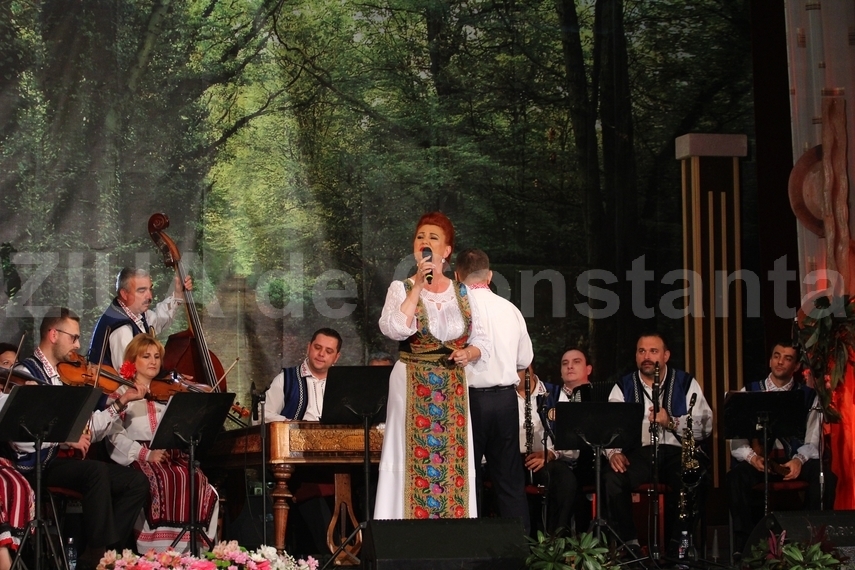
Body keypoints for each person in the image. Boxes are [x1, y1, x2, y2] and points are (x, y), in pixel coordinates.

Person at [375, 212, 491, 520]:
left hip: (452, 388)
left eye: (433, 237)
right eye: (420, 237)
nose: (425, 241)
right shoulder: (401, 288)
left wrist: (469, 353)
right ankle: (405, 533)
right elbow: (394, 329)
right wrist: (417, 287)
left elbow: (484, 342)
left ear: (447, 250)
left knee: (451, 458)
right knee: (410, 457)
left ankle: (452, 532)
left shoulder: (463, 292)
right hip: (412, 382)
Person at [14, 307, 149, 567]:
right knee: (95, 472)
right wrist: (65, 437)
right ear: (53, 334)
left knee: (135, 482)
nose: (78, 345)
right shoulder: (26, 374)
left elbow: (89, 430)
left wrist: (122, 402)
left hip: (61, 461)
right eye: (73, 337)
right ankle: (98, 555)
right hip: (36, 465)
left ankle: (107, 553)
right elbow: (20, 437)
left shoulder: (64, 377)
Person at [105, 334, 219, 553]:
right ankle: (157, 551)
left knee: (197, 479)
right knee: (159, 480)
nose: (153, 361)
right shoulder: (121, 393)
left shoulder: (168, 392)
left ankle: (192, 549)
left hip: (170, 452)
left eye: (157, 357)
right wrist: (146, 454)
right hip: (139, 455)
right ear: (132, 360)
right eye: (146, 356)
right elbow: (114, 435)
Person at [603, 332, 712, 554]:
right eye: (642, 351)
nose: (647, 357)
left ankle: (679, 546)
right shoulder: (623, 386)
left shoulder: (686, 383)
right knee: (612, 478)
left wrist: (670, 422)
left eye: (653, 351)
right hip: (639, 454)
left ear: (666, 355)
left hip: (676, 453)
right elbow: (609, 428)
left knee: (694, 477)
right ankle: (630, 544)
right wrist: (613, 453)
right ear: (636, 356)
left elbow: (705, 427)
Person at [727, 342, 837, 555]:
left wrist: (798, 460)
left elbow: (813, 441)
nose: (780, 362)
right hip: (760, 461)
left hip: (793, 459)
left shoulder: (808, 396)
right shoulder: (749, 392)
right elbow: (737, 441)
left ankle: (810, 540)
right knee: (735, 478)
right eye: (776, 356)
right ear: (770, 360)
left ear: (796, 366)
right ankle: (746, 545)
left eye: (787, 358)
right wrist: (753, 458)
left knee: (825, 478)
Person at [454, 248, 532, 531]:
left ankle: (467, 546)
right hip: (505, 401)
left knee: (467, 478)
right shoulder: (510, 310)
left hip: (468, 401)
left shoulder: (456, 309)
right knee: (509, 479)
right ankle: (520, 547)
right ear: (489, 275)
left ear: (456, 276)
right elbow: (524, 360)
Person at [515, 365, 577, 536]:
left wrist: (550, 453)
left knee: (565, 479)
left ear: (529, 368)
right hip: (512, 459)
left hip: (548, 457)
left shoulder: (555, 394)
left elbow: (571, 440)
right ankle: (519, 541)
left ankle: (555, 539)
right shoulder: (502, 396)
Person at [88, 268, 191, 367]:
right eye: (142, 291)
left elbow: (158, 320)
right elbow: (128, 374)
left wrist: (178, 294)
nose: (149, 296)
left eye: (150, 289)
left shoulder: (135, 312)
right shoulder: (122, 330)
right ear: (124, 294)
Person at [258, 328, 342, 423]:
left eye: (329, 351)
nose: (321, 354)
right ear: (309, 348)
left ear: (336, 357)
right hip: (294, 432)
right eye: (317, 347)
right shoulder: (286, 379)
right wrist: (291, 424)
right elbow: (262, 415)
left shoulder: (343, 385)